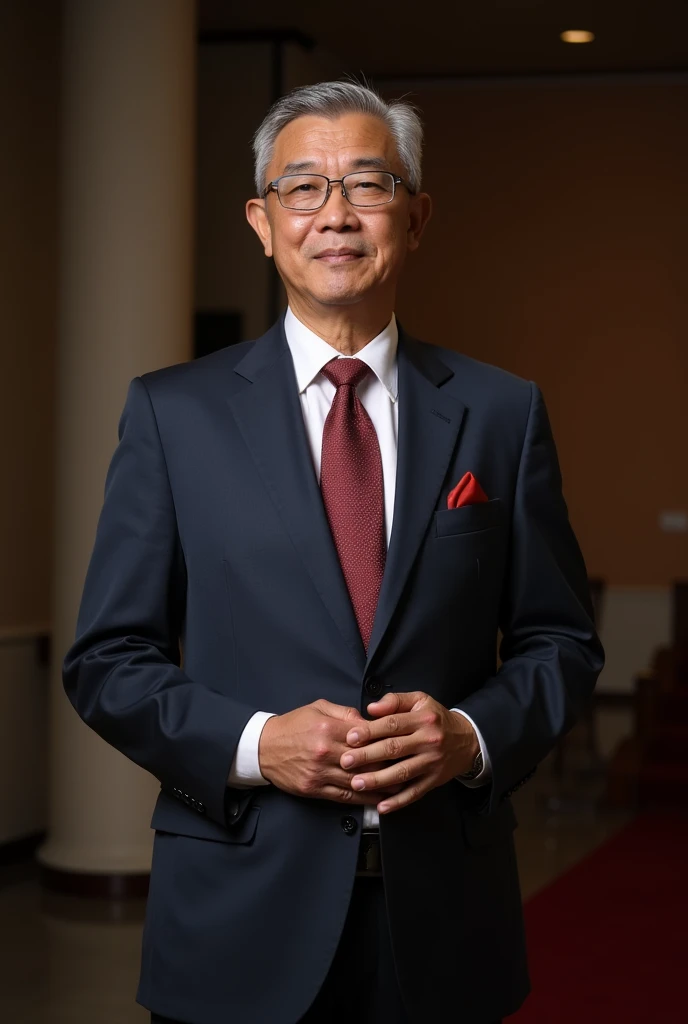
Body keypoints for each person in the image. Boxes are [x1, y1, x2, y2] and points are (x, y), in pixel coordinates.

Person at [63, 80, 604, 1024]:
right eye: (302, 188)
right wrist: (255, 745)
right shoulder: (172, 415)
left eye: (369, 183)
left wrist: (470, 737)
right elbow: (106, 661)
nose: (336, 214)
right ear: (261, 224)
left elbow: (562, 641)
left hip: (444, 920)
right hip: (236, 913)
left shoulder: (501, 413)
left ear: (417, 216)